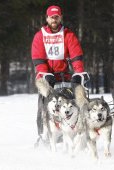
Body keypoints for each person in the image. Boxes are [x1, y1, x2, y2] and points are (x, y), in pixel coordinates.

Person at [31, 5, 88, 137]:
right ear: (47, 18)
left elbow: (76, 56)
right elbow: (38, 59)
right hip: (45, 76)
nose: (54, 20)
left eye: (56, 17)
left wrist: (78, 73)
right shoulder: (40, 36)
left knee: (72, 102)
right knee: (44, 106)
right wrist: (46, 73)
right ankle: (43, 135)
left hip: (65, 75)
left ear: (61, 17)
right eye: (51, 17)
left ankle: (75, 132)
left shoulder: (68, 35)